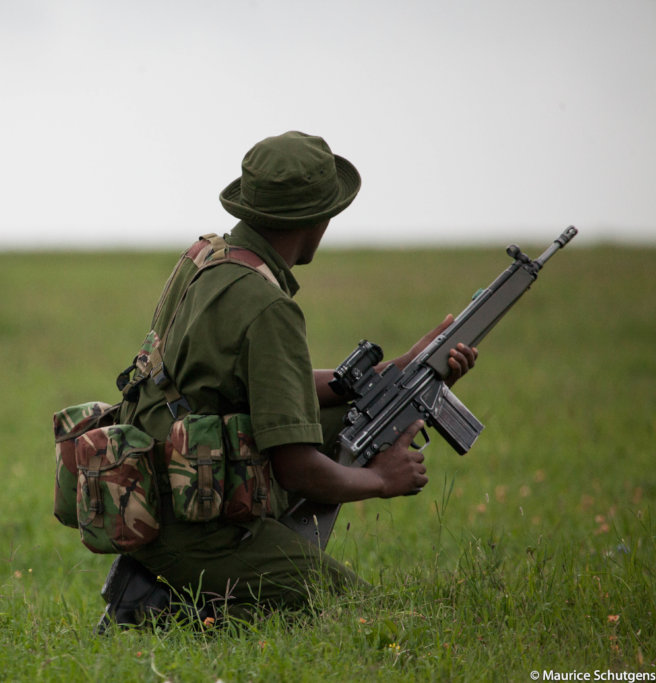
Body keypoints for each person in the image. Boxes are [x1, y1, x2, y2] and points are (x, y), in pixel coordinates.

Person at [97, 131, 478, 629]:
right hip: (195, 525)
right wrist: (383, 480)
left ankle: (168, 584)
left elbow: (256, 385)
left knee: (355, 412)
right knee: (352, 613)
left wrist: (401, 371)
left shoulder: (205, 259)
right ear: (315, 220)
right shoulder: (268, 308)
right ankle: (156, 610)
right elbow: (297, 468)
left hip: (149, 494)